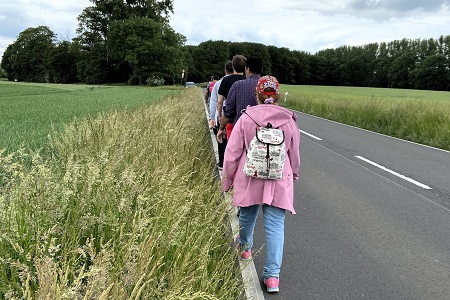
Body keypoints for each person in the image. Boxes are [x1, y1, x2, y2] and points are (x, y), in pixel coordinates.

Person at [221, 75, 300, 293]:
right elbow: (294, 156)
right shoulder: (289, 121)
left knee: (247, 215)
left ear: (257, 94)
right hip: (278, 179)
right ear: (277, 95)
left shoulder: (246, 118)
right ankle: (272, 277)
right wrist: (292, 176)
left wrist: (226, 182)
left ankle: (245, 248)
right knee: (275, 225)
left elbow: (232, 153)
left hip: (250, 176)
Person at [217, 57, 262, 141]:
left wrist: (221, 128)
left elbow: (229, 111)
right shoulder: (266, 86)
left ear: (247, 69)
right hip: (262, 133)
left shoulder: (238, 85)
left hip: (241, 132)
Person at [217, 54, 246, 144]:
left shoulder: (225, 80)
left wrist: (220, 115)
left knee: (232, 146)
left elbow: (220, 101)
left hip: (230, 119)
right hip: (245, 120)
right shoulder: (247, 80)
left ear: (233, 66)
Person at [209, 61, 233, 169]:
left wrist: (213, 117)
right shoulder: (240, 80)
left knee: (221, 139)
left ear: (225, 70)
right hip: (234, 115)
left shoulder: (219, 83)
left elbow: (214, 101)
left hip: (222, 114)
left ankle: (222, 162)